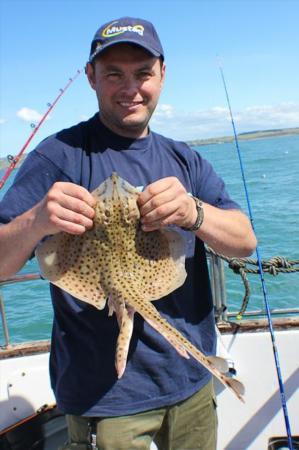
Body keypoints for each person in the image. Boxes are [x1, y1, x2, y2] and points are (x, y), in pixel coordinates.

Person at [0, 17, 257, 450]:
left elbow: (246, 242)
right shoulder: (57, 156)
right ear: (91, 77)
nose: (130, 88)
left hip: (190, 383)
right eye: (114, 74)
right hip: (105, 401)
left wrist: (194, 213)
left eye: (142, 74)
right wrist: (39, 220)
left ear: (162, 73)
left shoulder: (184, 159)